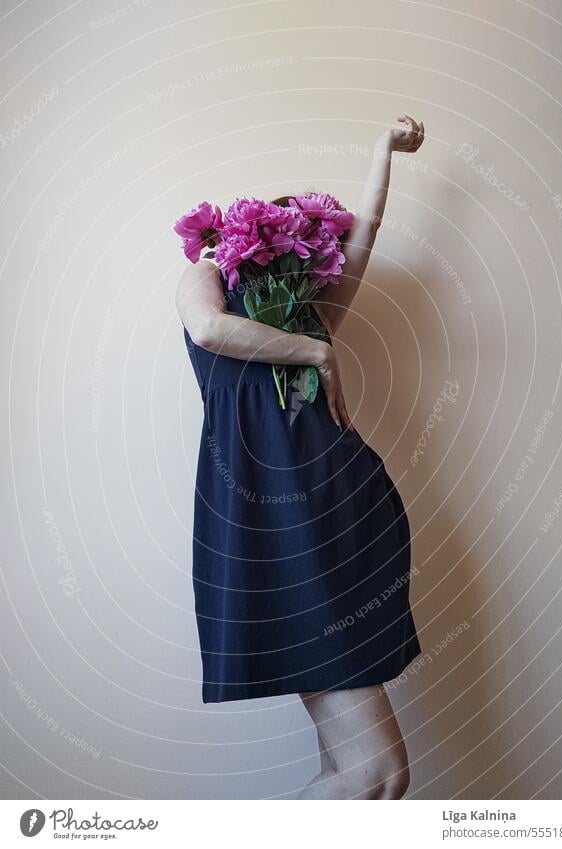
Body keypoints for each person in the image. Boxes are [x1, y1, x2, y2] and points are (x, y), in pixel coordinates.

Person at [176, 115, 426, 800]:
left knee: (359, 772)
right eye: (307, 242)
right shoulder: (208, 282)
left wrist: (384, 152)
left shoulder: (314, 312)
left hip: (346, 525)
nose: (318, 259)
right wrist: (316, 352)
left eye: (322, 251)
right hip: (279, 536)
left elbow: (365, 233)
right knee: (379, 774)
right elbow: (209, 327)